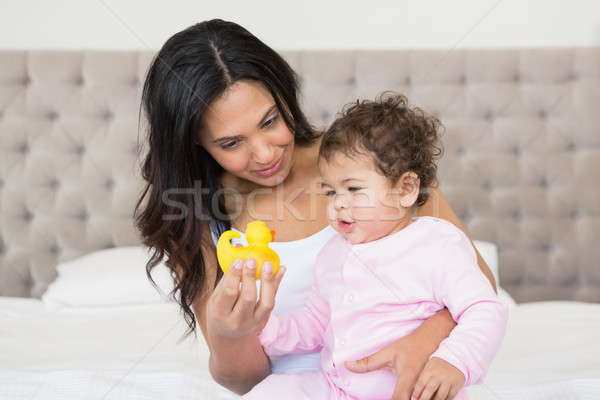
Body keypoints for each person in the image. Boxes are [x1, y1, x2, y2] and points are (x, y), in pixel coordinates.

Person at [135, 19, 498, 399]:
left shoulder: (373, 158)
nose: (264, 153)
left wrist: (425, 339)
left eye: (270, 121)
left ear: (284, 93)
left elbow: (477, 285)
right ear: (196, 143)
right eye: (231, 143)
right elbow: (245, 380)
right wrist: (231, 332)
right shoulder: (193, 213)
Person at [240, 93, 508, 400]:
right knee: (273, 391)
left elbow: (485, 308)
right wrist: (263, 326)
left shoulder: (438, 245)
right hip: (336, 388)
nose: (339, 203)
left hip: (413, 390)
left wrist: (455, 362)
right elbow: (314, 324)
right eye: (330, 192)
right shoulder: (333, 254)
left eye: (353, 189)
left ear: (406, 189)